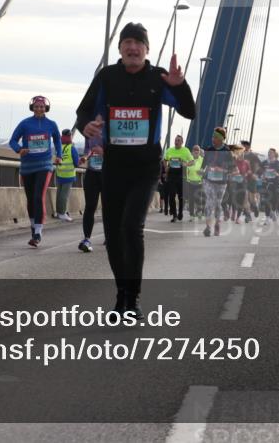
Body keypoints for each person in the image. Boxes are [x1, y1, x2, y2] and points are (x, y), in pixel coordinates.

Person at [77, 23, 195, 316]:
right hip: (114, 167)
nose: (132, 48)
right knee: (114, 235)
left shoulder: (157, 77)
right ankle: (121, 295)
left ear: (147, 49)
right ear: (119, 48)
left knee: (132, 227)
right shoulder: (107, 76)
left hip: (146, 168)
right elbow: (84, 111)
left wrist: (180, 86)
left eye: (138, 43)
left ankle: (135, 297)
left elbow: (189, 111)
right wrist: (86, 126)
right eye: (127, 42)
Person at [9, 95, 61, 247]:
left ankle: (38, 232)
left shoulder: (51, 124)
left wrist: (59, 155)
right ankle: (33, 227)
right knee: (31, 199)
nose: (39, 109)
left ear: (46, 108)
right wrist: (19, 149)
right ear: (32, 108)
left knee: (39, 196)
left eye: (42, 106)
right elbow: (13, 140)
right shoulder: (25, 124)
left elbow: (57, 140)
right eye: (37, 106)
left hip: (44, 165)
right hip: (27, 166)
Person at [201, 127, 234, 236]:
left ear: (220, 139)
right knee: (209, 201)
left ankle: (217, 224)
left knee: (218, 203)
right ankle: (208, 227)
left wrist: (222, 170)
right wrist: (201, 171)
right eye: (212, 136)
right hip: (208, 179)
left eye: (215, 137)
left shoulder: (227, 152)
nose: (212, 139)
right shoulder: (209, 149)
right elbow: (204, 164)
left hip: (221, 181)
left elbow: (232, 169)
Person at [79, 135, 103, 252]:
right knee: (90, 206)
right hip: (92, 173)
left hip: (108, 173)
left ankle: (111, 236)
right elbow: (87, 149)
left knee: (110, 207)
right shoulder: (90, 131)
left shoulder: (111, 127)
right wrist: (85, 157)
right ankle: (87, 239)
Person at [163, 134, 194, 222]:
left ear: (182, 142)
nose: (177, 142)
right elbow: (165, 160)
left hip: (182, 174)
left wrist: (186, 164)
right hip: (172, 174)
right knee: (171, 195)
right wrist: (166, 167)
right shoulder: (169, 150)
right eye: (176, 140)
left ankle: (180, 212)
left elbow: (192, 162)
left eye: (179, 140)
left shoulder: (186, 150)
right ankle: (174, 215)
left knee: (181, 196)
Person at [54, 129, 79, 222]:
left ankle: (58, 212)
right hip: (68, 175)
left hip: (59, 173)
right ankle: (62, 213)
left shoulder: (59, 147)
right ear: (70, 136)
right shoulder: (71, 148)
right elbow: (77, 163)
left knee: (59, 194)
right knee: (64, 195)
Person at [185, 145, 204, 222]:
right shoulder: (189, 160)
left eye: (197, 150)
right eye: (194, 150)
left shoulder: (202, 160)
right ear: (192, 152)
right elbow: (185, 169)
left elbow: (205, 170)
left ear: (199, 152)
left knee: (198, 198)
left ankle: (199, 211)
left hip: (199, 183)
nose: (196, 151)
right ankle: (191, 215)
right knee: (191, 199)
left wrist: (202, 172)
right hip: (190, 182)